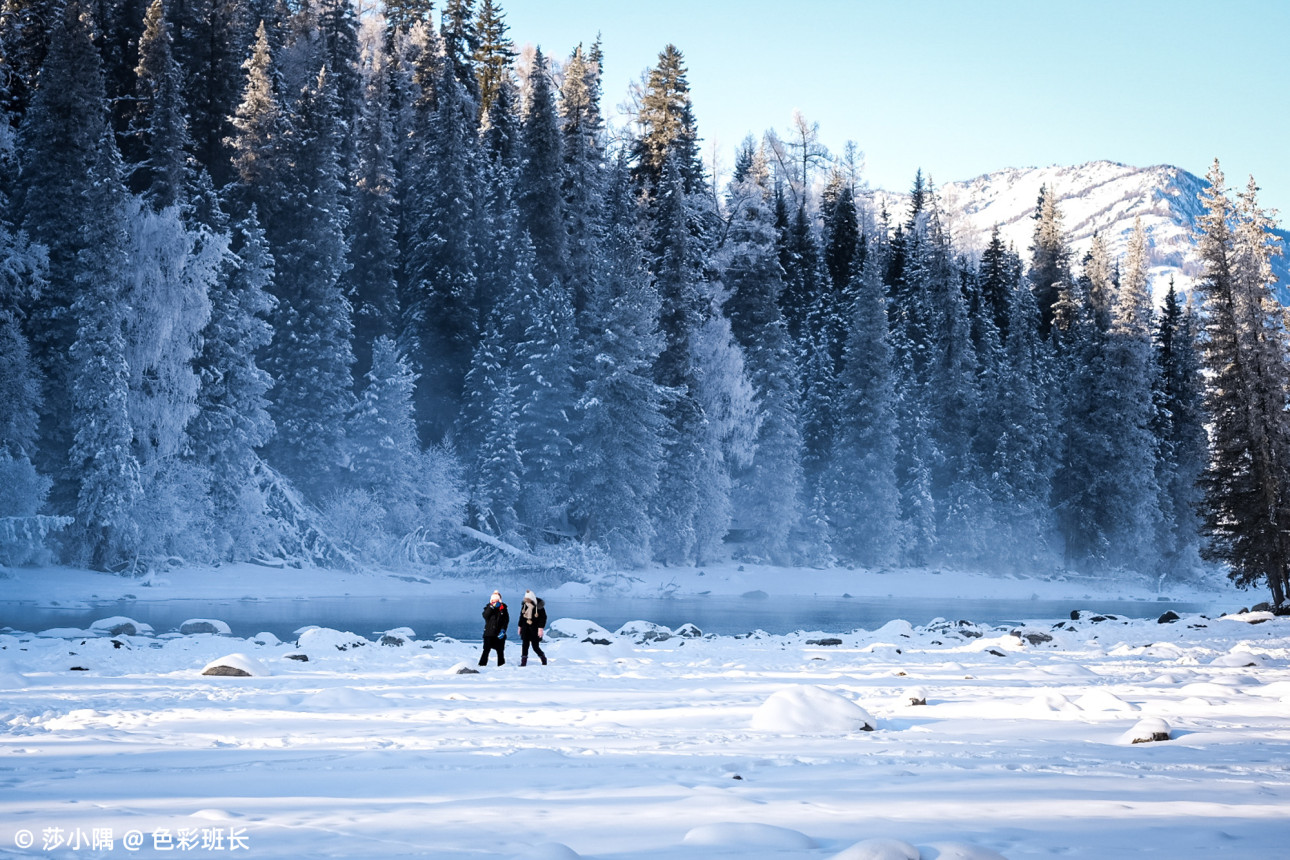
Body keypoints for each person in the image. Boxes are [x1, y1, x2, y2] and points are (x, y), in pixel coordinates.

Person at [518, 589, 548, 666]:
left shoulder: (539, 607)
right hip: (525, 629)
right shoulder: (524, 606)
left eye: (528, 599)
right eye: (526, 599)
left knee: (535, 647)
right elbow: (521, 617)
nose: (526, 600)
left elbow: (543, 618)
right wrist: (520, 626)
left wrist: (540, 628)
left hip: (535, 630)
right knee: (525, 645)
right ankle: (523, 662)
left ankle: (543, 658)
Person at [479, 590, 509, 667]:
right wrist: (491, 607)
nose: (495, 602)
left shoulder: (504, 609)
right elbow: (485, 616)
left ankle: (502, 666)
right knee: (486, 650)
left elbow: (506, 621)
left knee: (500, 651)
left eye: (497, 600)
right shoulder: (488, 608)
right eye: (493, 600)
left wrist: (503, 630)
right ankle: (482, 665)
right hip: (489, 633)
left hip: (499, 634)